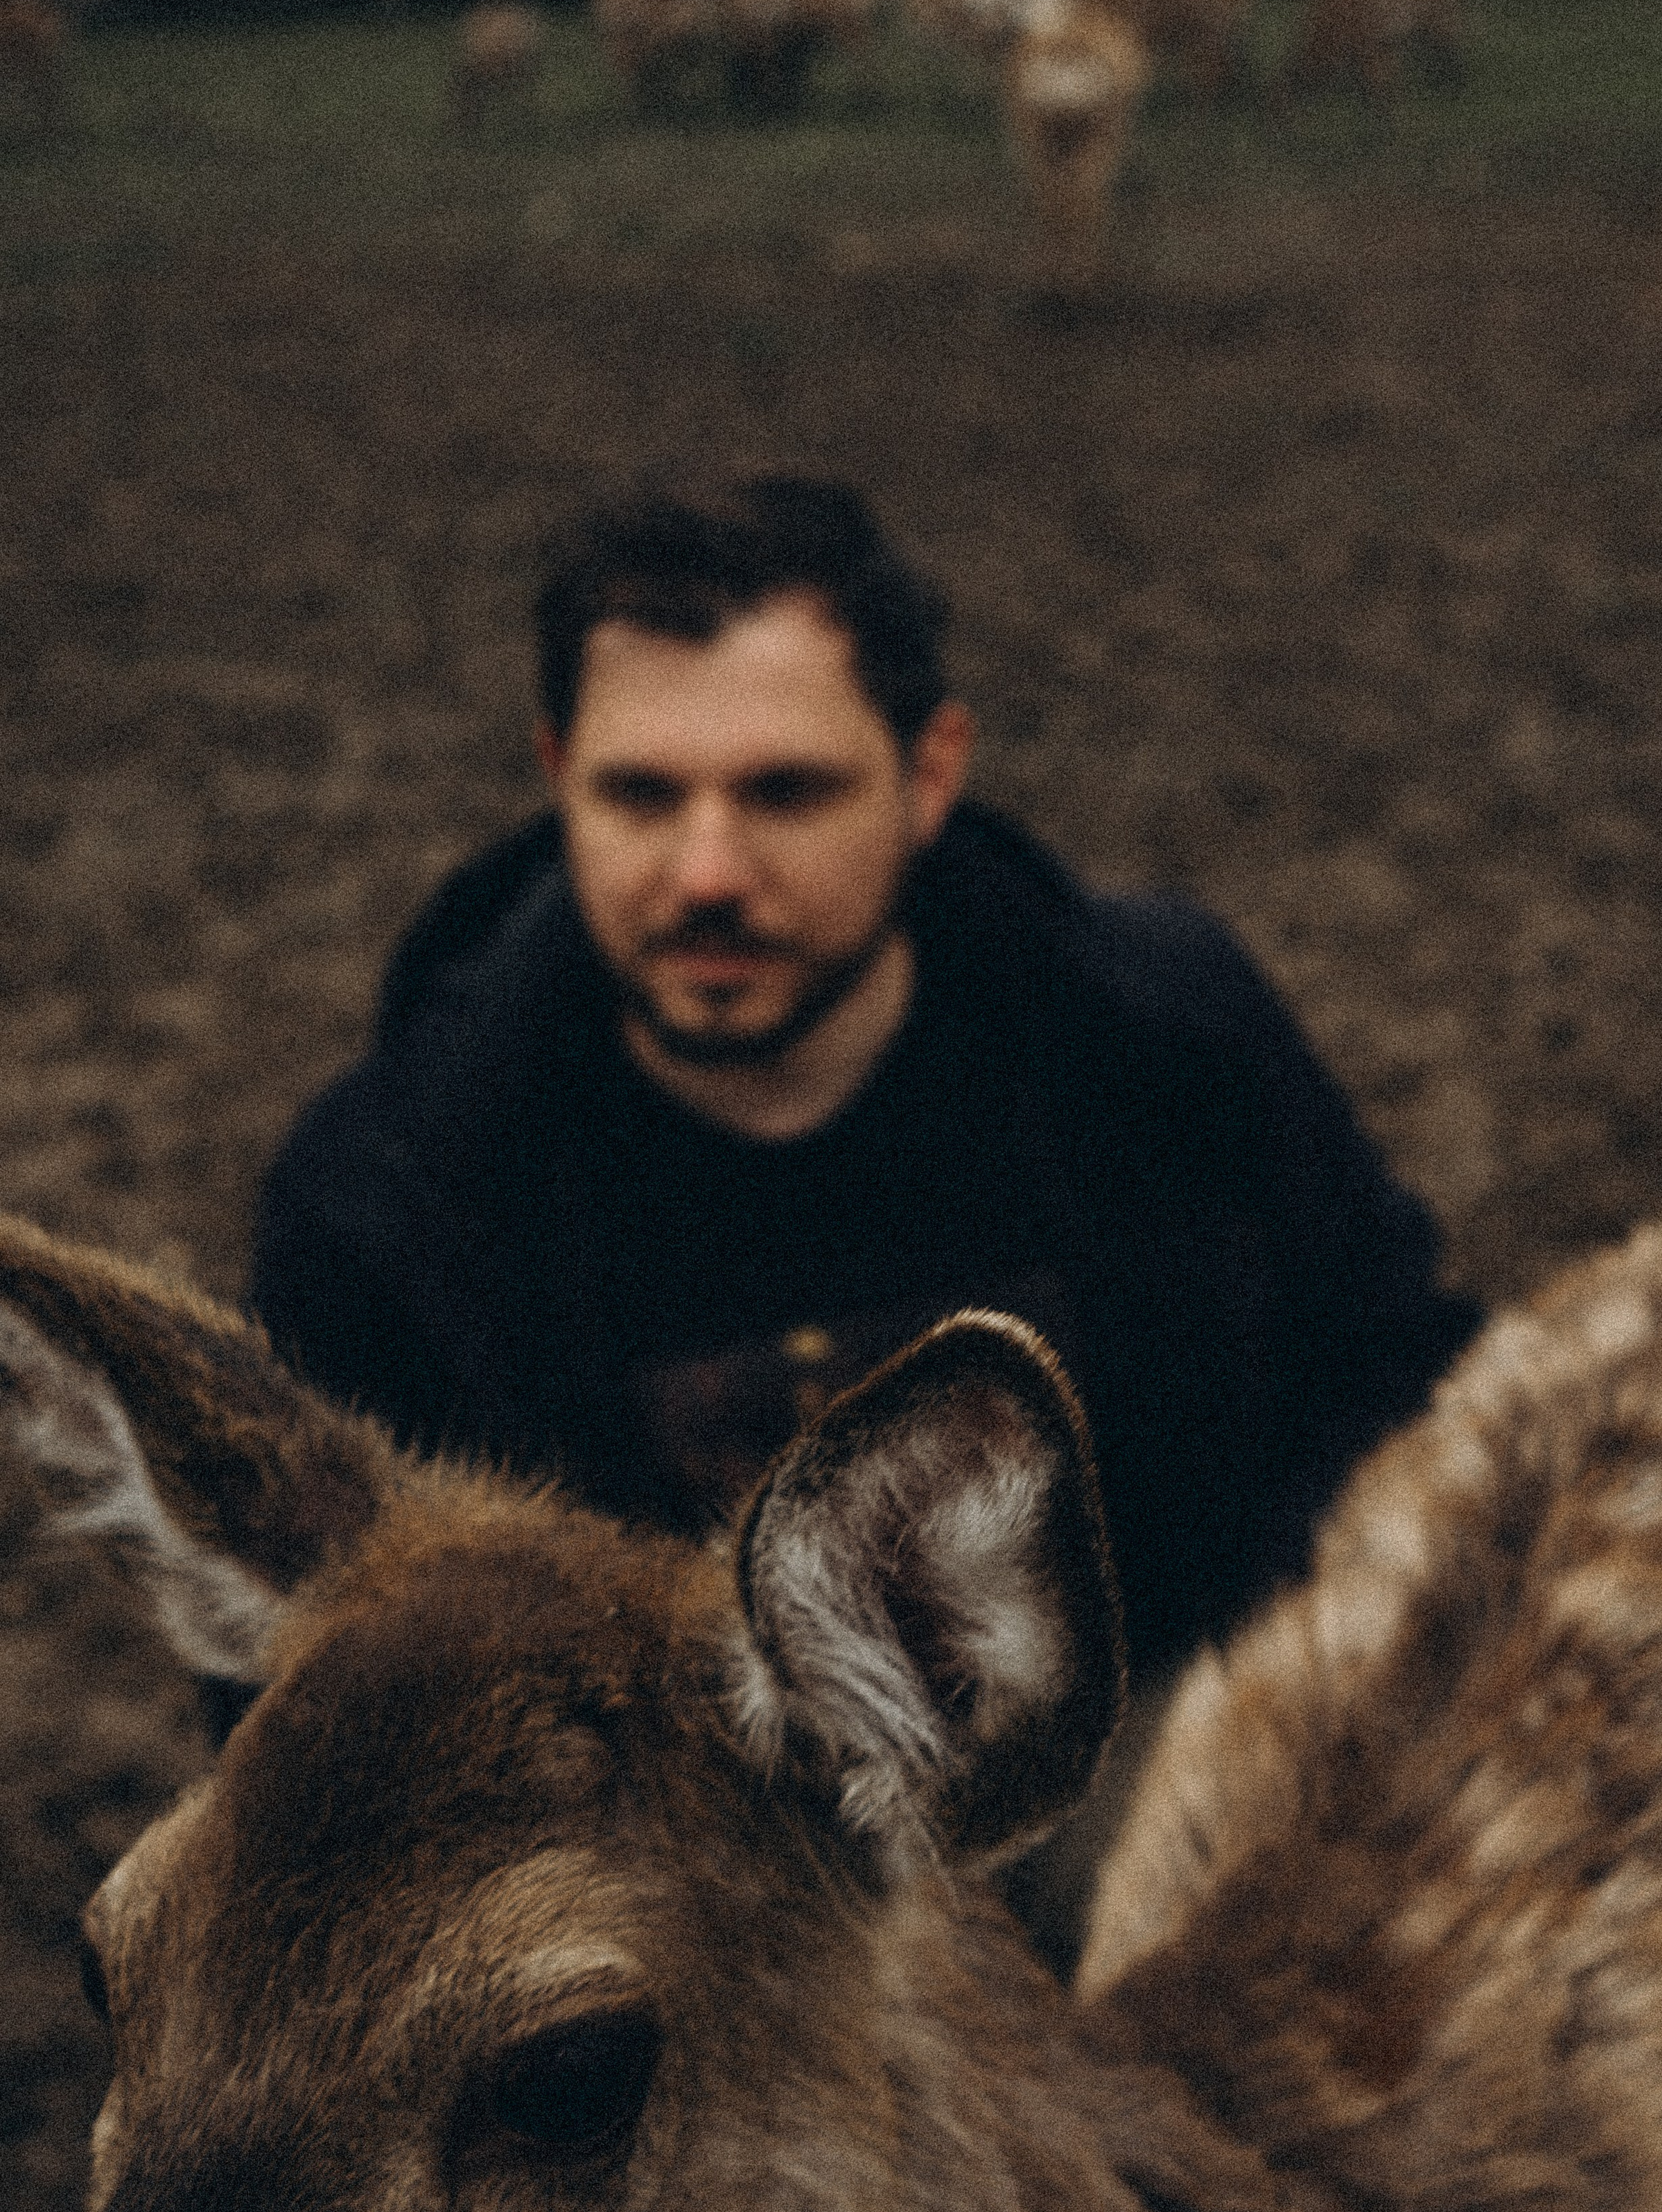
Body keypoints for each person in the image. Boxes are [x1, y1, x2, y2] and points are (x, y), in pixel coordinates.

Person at [252, 475, 1480, 1694]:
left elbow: (1392, 1384)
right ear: (556, 772)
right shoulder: (384, 1194)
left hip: (1146, 1759)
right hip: (650, 1849)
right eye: (640, 795)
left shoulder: (1165, 1046)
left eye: (786, 792)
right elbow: (292, 1659)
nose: (708, 874)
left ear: (930, 775)